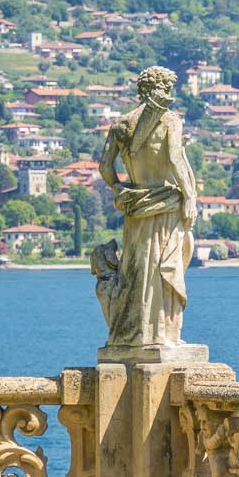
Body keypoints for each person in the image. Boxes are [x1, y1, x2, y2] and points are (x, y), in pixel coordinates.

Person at [97, 66, 197, 348]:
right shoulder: (169, 120)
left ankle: (135, 333)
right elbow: (176, 161)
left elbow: (105, 167)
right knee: (164, 266)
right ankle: (162, 334)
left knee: (136, 268)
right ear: (163, 88)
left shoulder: (121, 124)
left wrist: (119, 188)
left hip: (135, 205)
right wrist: (189, 197)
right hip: (164, 206)